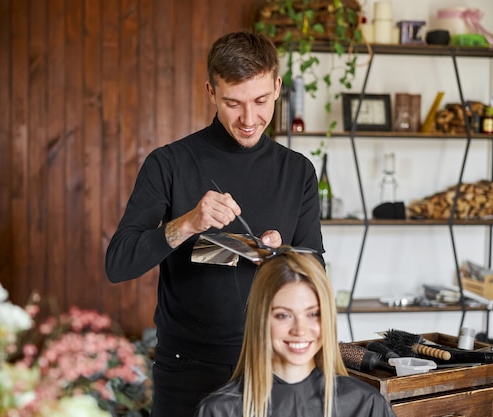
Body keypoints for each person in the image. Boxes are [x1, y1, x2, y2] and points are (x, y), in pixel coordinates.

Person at [105, 30, 325, 417]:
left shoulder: (298, 172)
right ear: (211, 92)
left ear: (277, 87)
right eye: (232, 103)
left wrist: (282, 256)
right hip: (186, 367)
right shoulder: (169, 163)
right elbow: (118, 263)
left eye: (260, 101)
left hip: (273, 365)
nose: (248, 119)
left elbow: (316, 272)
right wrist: (187, 224)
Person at [195, 249, 396, 417]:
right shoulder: (220, 411)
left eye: (313, 314)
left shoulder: (366, 405)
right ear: (260, 320)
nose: (300, 330)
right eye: (283, 315)